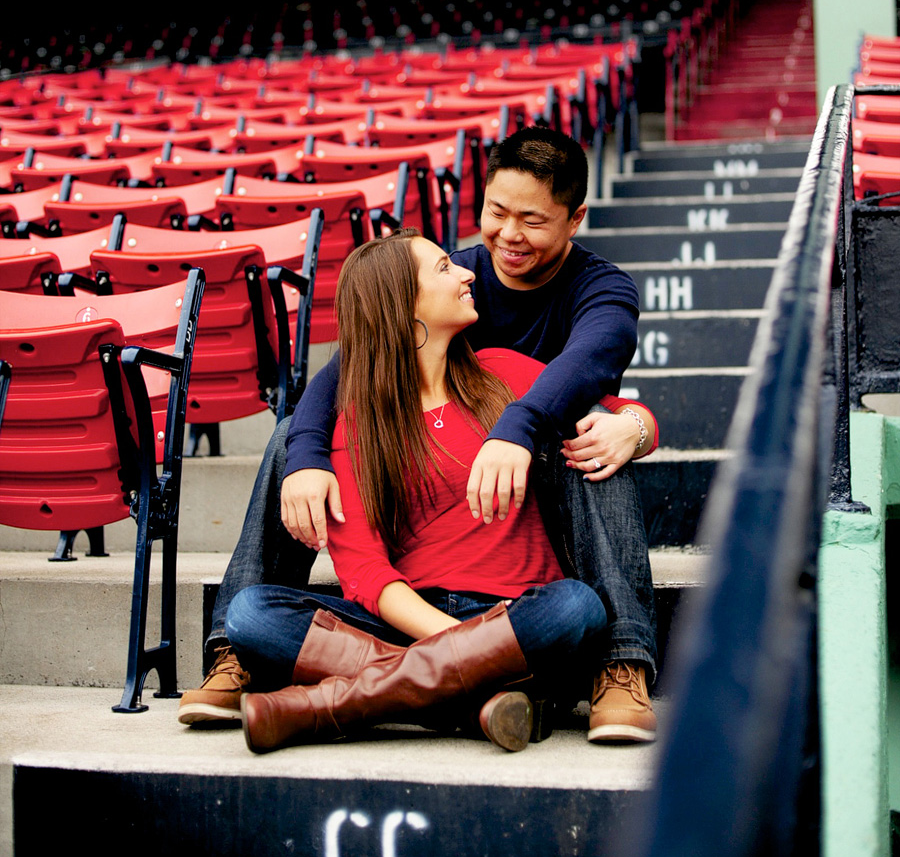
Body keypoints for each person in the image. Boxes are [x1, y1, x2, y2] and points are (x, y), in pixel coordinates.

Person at [179, 126, 659, 741]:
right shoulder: (376, 407)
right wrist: (306, 455)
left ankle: (618, 661)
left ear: (574, 219)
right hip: (425, 617)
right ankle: (471, 694)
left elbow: (592, 364)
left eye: (532, 220)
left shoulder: (567, 318)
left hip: (516, 589)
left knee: (594, 455)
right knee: (255, 600)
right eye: (496, 212)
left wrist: (632, 426)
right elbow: (366, 568)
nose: (506, 236)